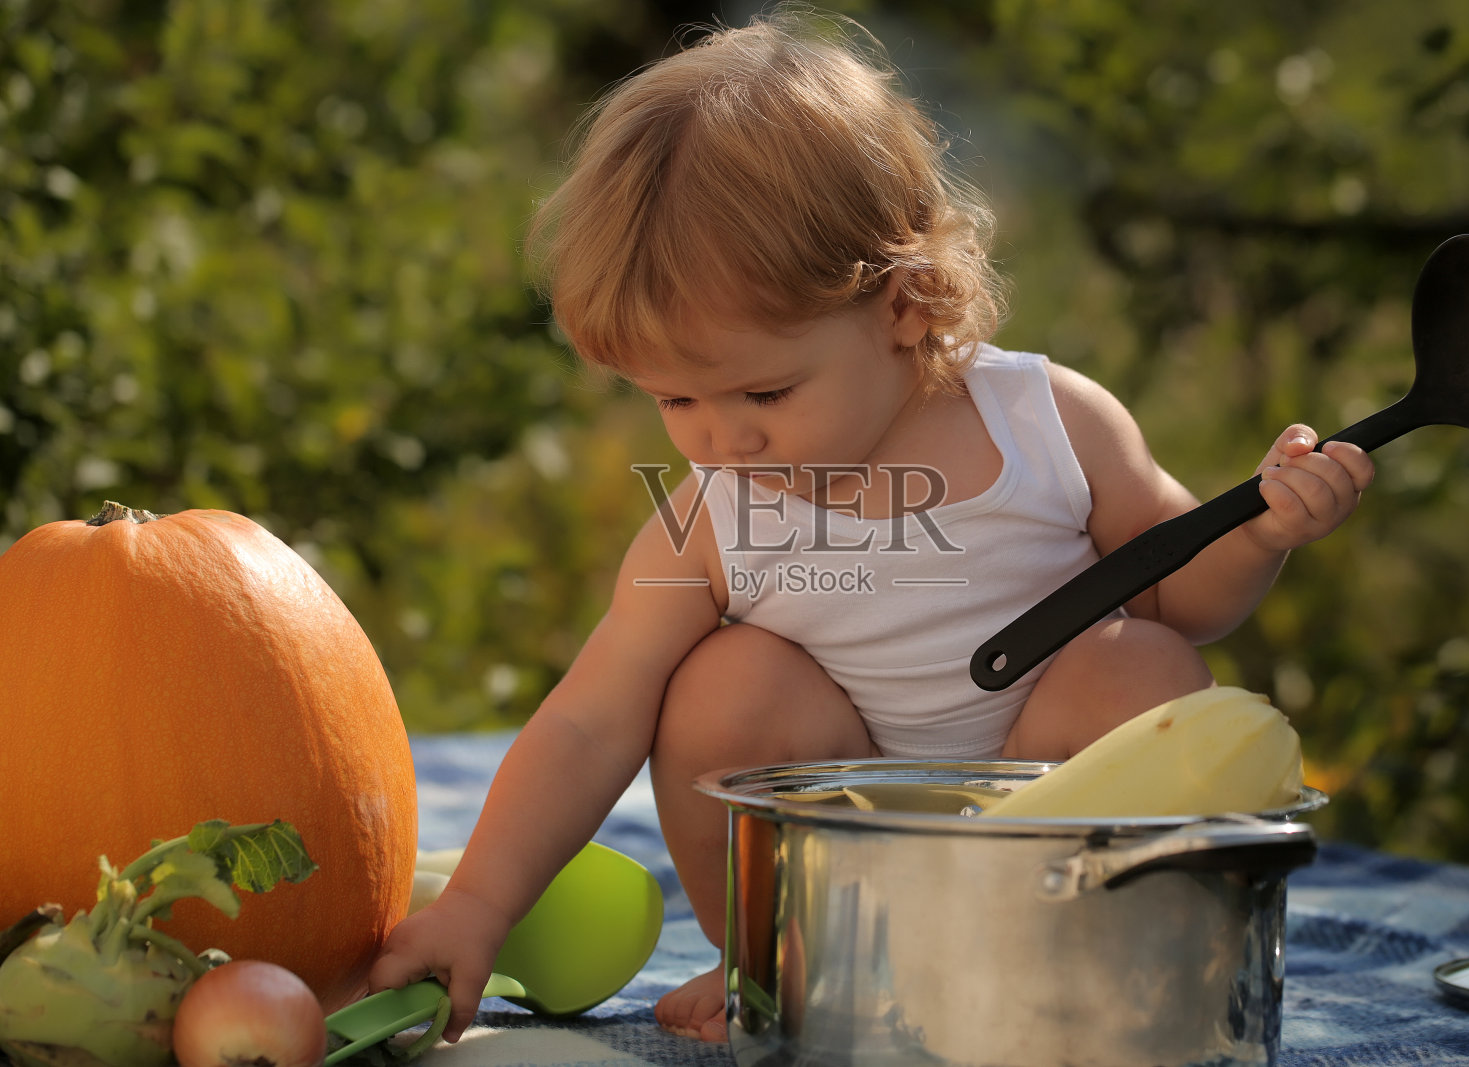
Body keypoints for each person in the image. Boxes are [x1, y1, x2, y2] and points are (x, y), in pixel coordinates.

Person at [369, 6, 1375, 1044]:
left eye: (763, 392)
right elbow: (589, 719)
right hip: (838, 874)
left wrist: (1259, 531)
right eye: (674, 402)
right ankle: (770, 957)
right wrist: (477, 905)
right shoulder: (712, 519)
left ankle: (1095, 967)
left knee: (1140, 661)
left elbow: (1182, 593)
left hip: (1056, 838)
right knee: (721, 682)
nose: (722, 440)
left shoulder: (1044, 425)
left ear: (903, 306)